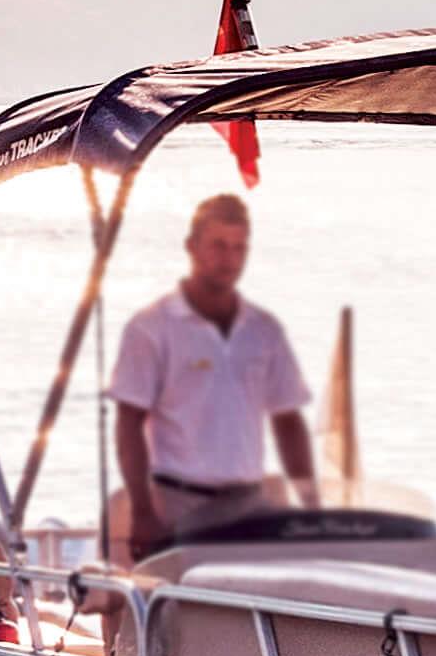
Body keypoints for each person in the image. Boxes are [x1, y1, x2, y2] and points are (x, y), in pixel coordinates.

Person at [109, 192, 317, 560]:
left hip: (250, 506)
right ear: (192, 247)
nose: (229, 259)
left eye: (239, 248)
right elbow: (129, 424)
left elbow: (288, 420)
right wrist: (142, 511)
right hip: (179, 505)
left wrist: (311, 506)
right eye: (218, 245)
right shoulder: (151, 327)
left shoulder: (264, 329)